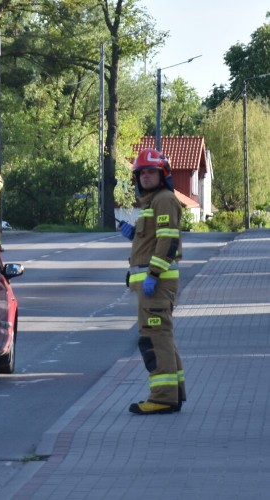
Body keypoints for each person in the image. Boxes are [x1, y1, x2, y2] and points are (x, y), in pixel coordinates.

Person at [118, 148, 185, 415]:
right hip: (151, 284)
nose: (145, 176)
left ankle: (163, 397)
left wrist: (153, 275)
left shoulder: (164, 199)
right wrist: (135, 234)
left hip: (156, 284)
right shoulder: (153, 202)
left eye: (151, 172)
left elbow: (169, 241)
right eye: (141, 172)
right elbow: (155, 238)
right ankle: (174, 393)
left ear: (163, 174)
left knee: (154, 339)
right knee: (163, 337)